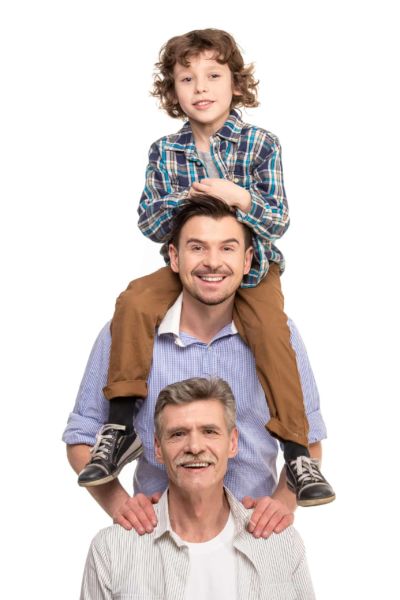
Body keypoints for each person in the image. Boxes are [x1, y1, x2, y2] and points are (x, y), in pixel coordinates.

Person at [76, 28, 335, 506]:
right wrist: (192, 196)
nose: (201, 88)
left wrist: (239, 198)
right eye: (187, 78)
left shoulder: (259, 143)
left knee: (273, 334)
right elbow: (151, 221)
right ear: (172, 91)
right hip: (185, 267)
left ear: (235, 84)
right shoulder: (165, 152)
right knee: (133, 302)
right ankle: (117, 426)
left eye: (213, 75)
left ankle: (297, 452)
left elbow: (277, 218)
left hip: (252, 270)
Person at [64, 196, 334, 539]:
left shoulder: (280, 336)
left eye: (227, 248)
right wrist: (118, 504)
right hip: (157, 534)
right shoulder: (127, 330)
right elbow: (82, 434)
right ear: (174, 257)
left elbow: (308, 439)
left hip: (252, 532)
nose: (212, 263)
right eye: (197, 248)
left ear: (248, 259)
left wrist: (282, 502)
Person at [81, 376, 316, 599]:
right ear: (158, 448)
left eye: (209, 432)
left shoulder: (281, 544)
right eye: (178, 434)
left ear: (232, 443)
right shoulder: (112, 549)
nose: (194, 446)